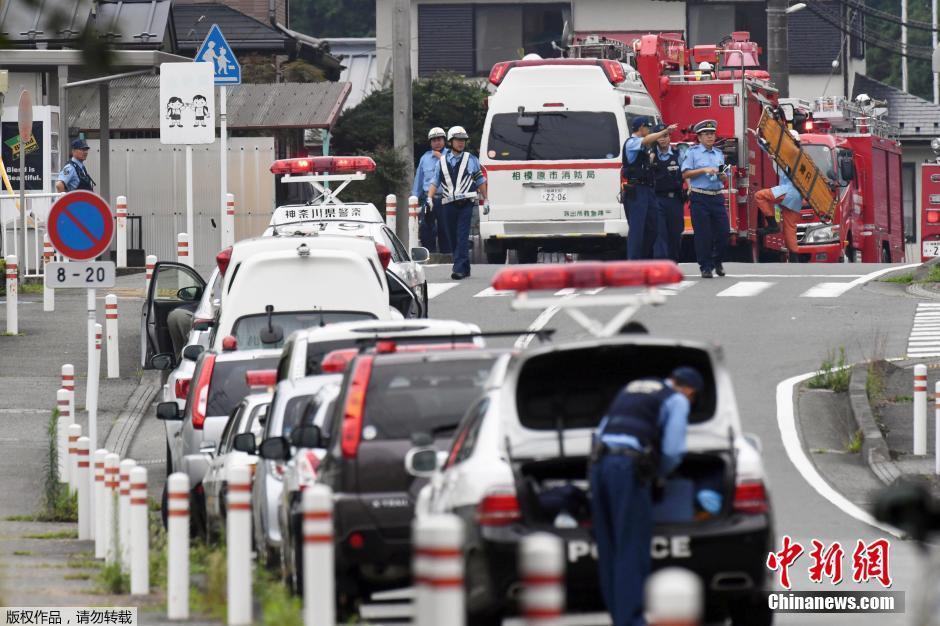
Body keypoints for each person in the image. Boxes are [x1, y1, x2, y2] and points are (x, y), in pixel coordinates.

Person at [590, 367, 702, 626]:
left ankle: (618, 615)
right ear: (690, 391)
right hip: (626, 469)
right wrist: (656, 475)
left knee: (609, 546)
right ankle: (631, 621)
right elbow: (673, 451)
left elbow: (602, 428)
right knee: (631, 546)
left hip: (599, 465)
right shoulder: (676, 400)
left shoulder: (631, 388)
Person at [426, 126, 488, 280]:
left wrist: (486, 199)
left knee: (461, 235)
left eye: (463, 140)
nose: (461, 143)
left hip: (466, 203)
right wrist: (429, 198)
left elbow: (480, 180)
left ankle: (458, 268)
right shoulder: (441, 161)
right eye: (458, 140)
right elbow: (435, 181)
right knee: (452, 237)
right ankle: (465, 266)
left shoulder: (471, 159)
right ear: (451, 141)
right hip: (447, 204)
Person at [622, 116, 678, 260]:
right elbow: (646, 140)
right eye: (647, 127)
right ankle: (634, 265)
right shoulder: (631, 143)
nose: (649, 130)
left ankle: (644, 259)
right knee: (637, 230)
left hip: (650, 190)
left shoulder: (647, 148)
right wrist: (665, 131)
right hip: (637, 190)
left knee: (652, 228)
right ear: (641, 127)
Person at [681, 119, 729, 278]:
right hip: (700, 197)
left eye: (712, 134)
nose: (710, 137)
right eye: (706, 134)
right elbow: (685, 173)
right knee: (703, 235)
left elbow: (725, 175)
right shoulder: (692, 152)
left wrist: (722, 175)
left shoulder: (719, 153)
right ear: (699, 137)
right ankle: (705, 266)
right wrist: (703, 170)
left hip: (716, 197)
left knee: (723, 232)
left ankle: (717, 259)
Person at [755, 130, 807, 262]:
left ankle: (772, 224)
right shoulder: (799, 156)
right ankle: (794, 257)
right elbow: (768, 149)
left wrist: (760, 139)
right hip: (796, 197)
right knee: (790, 228)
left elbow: (768, 149)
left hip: (788, 191)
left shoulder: (791, 154)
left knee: (759, 196)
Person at [650, 124, 684, 262]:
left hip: (675, 199)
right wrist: (651, 156)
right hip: (657, 199)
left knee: (675, 233)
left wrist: (690, 187)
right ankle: (661, 263)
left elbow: (686, 172)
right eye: (659, 136)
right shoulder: (651, 155)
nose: (662, 139)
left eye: (665, 135)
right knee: (660, 233)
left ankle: (673, 262)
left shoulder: (679, 154)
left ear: (670, 137)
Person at [412, 127, 449, 253]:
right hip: (429, 199)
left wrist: (441, 158)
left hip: (446, 198)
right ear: (430, 142)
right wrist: (414, 199)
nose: (437, 142)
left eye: (439, 139)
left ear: (444, 140)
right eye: (434, 140)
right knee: (425, 227)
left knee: (445, 228)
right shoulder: (425, 158)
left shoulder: (450, 155)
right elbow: (419, 179)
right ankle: (429, 254)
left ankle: (447, 255)